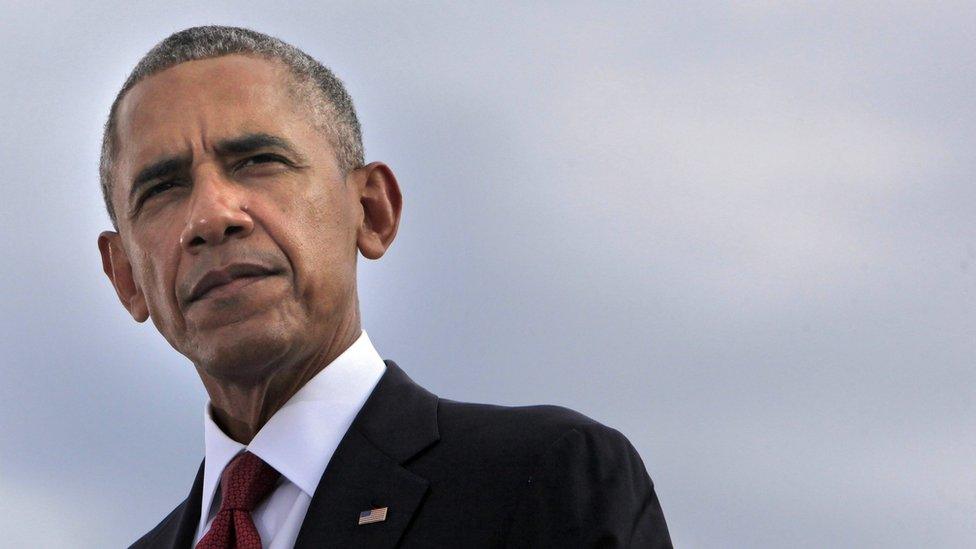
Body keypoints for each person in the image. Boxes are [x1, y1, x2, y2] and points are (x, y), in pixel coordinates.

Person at [97, 25, 672, 548]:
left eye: (257, 161)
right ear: (126, 277)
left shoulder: (543, 480)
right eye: (162, 190)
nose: (211, 215)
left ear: (371, 211)